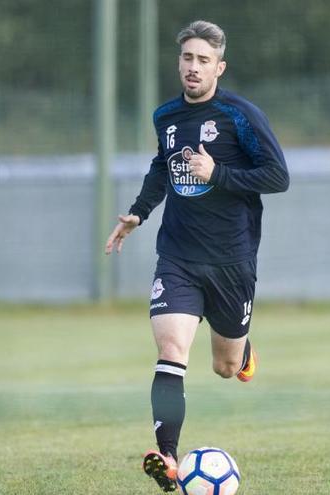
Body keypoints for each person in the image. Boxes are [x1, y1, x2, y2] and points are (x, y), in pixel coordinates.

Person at [104, 20, 289, 492]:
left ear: (219, 67)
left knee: (225, 367)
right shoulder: (166, 117)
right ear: (179, 62)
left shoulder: (240, 116)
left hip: (232, 260)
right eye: (187, 57)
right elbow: (161, 166)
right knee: (170, 352)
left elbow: (277, 176)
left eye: (203, 60)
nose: (193, 67)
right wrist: (139, 213)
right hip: (179, 257)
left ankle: (242, 350)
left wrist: (218, 172)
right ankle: (167, 457)